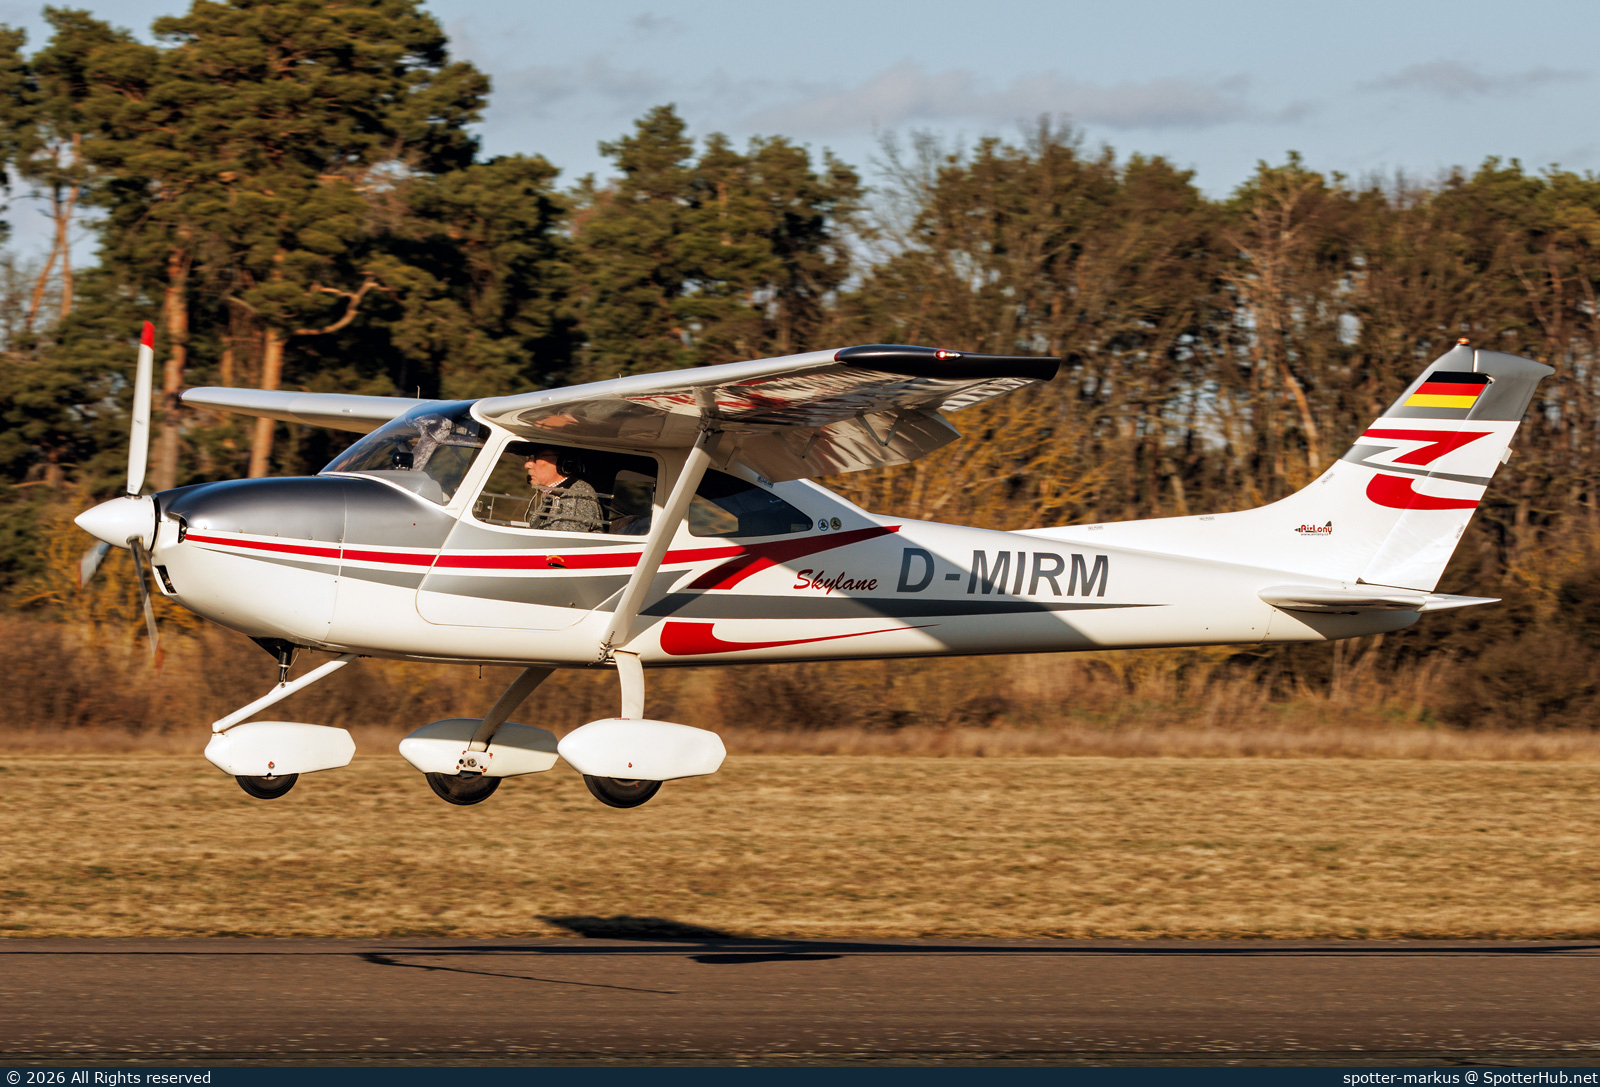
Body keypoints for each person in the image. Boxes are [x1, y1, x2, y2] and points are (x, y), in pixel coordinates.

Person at [525, 447, 604, 533]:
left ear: (562, 461)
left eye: (534, 458)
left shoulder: (577, 495)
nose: (527, 465)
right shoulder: (552, 494)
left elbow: (561, 542)